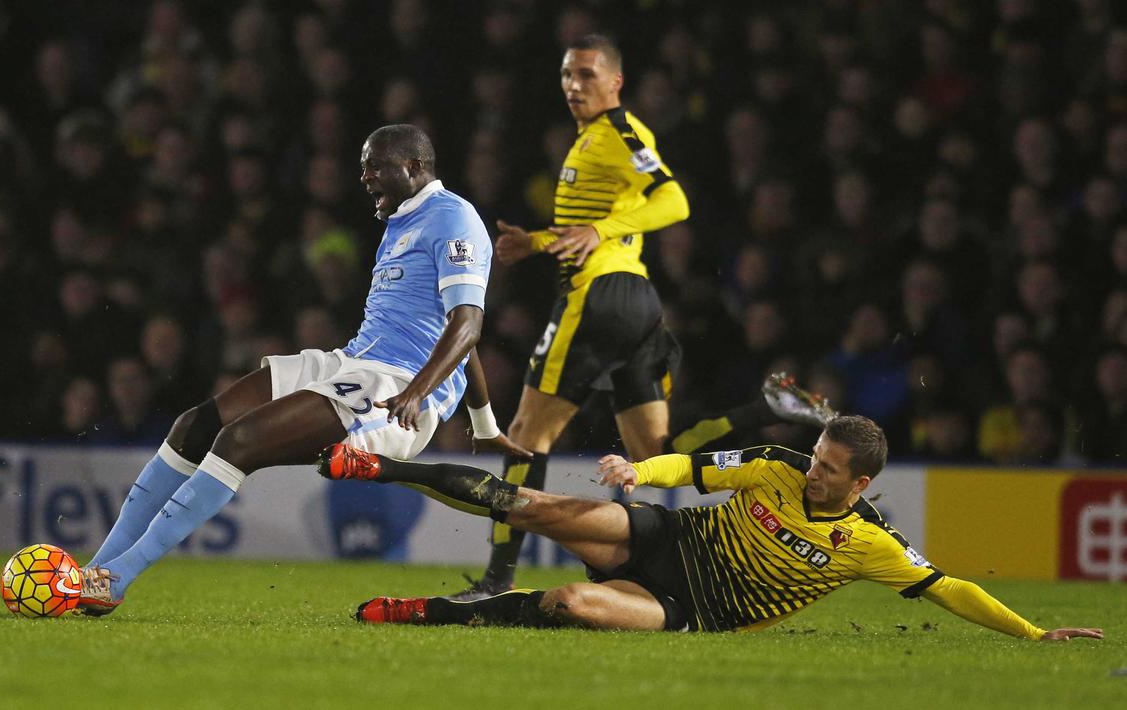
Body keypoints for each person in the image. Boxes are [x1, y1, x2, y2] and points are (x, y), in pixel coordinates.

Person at [78, 124, 528, 615]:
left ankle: (114, 580)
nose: (365, 177)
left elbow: (467, 326)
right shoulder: (401, 222)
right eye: (363, 167)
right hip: (352, 363)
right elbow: (453, 332)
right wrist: (485, 425)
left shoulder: (454, 218)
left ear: (414, 166)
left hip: (394, 389)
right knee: (195, 426)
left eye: (375, 166)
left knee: (239, 441)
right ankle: (91, 571)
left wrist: (419, 392)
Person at [318, 416, 1101, 641]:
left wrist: (1032, 634)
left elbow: (947, 587)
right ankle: (375, 465)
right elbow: (690, 468)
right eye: (815, 458)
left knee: (569, 605)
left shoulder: (870, 544)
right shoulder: (774, 465)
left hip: (693, 608)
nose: (812, 473)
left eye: (829, 470)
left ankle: (429, 613)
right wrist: (637, 470)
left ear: (860, 485)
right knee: (532, 507)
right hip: (665, 539)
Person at [465, 33, 691, 599]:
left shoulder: (619, 133)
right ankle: (757, 418)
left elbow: (673, 201)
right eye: (567, 73)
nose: (573, 84)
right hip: (637, 302)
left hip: (598, 296)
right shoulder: (593, 139)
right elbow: (594, 226)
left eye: (587, 74)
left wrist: (598, 229)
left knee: (525, 435)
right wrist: (538, 242)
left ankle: (497, 578)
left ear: (616, 81)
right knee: (654, 454)